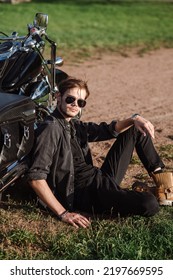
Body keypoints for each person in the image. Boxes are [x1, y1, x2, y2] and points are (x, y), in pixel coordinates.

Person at [27, 77, 165, 229]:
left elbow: (105, 130)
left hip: (99, 177)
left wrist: (135, 118)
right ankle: (143, 193)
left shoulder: (72, 123)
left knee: (136, 130)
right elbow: (36, 177)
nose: (75, 104)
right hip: (89, 194)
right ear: (58, 97)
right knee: (149, 204)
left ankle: (164, 185)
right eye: (70, 99)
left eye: (81, 102)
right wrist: (63, 213)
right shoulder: (51, 128)